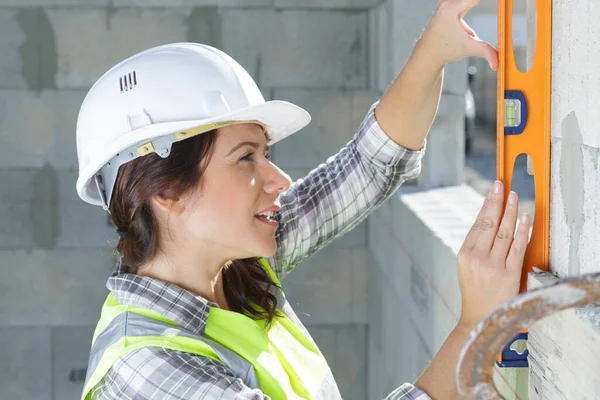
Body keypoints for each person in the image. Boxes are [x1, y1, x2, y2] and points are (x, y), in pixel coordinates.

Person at [75, 0, 529, 399]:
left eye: (265, 154)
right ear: (166, 190)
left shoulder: (232, 270)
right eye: (245, 158)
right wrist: (476, 326)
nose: (279, 179)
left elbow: (367, 167)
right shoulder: (146, 370)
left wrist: (432, 53)